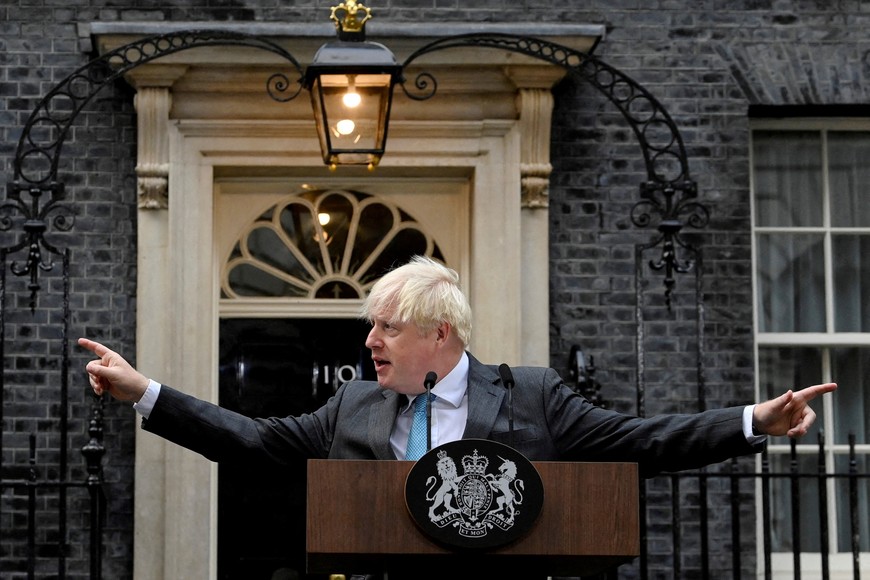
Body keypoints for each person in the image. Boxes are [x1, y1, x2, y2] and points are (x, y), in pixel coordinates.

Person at [79, 255, 836, 575]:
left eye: (386, 327)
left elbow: (640, 442)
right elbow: (253, 442)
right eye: (370, 326)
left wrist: (751, 423)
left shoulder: (534, 395)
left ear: (439, 333)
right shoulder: (353, 404)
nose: (370, 341)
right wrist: (146, 392)